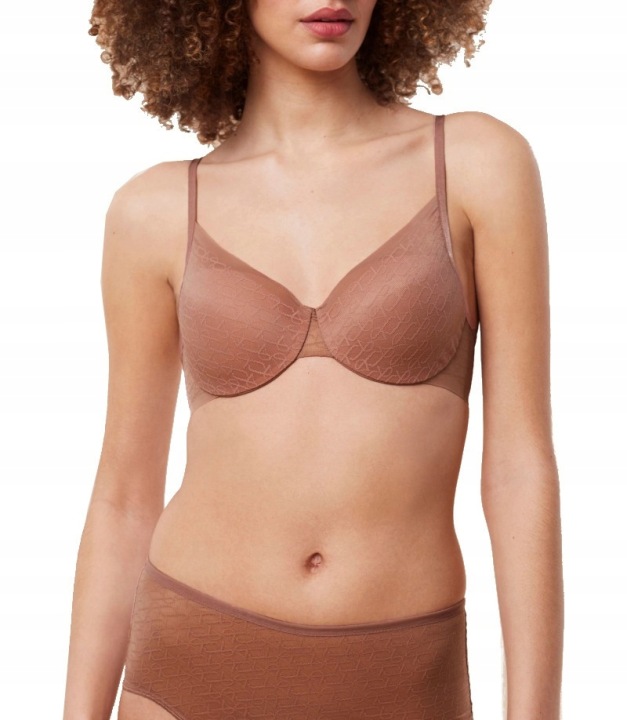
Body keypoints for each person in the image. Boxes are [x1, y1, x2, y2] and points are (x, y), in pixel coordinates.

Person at [63, 1, 564, 718]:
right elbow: (123, 497)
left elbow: (519, 468)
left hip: (400, 674)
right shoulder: (154, 209)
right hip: (190, 659)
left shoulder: (477, 163)